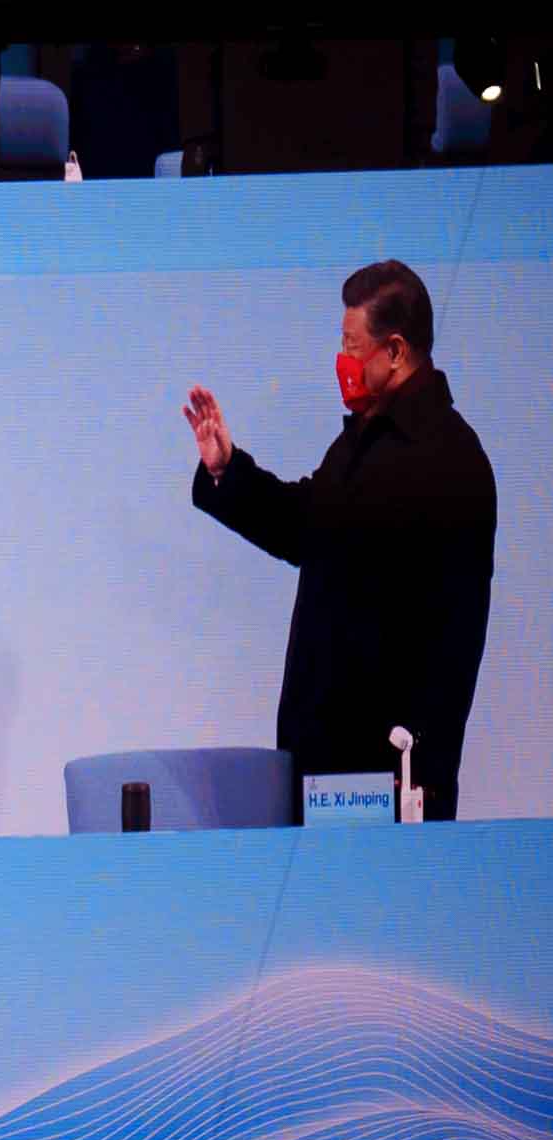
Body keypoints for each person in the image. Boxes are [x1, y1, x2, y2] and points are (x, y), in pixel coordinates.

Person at [185, 261, 496, 820]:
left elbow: (452, 646)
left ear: (396, 351)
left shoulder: (451, 460)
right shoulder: (364, 438)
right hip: (329, 765)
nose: (343, 361)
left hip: (387, 779)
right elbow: (310, 525)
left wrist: (416, 769)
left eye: (353, 346)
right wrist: (227, 471)